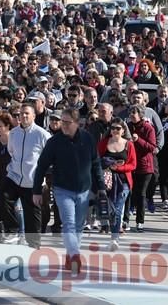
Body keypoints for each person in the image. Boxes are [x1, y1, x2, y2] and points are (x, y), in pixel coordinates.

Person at [33, 107, 105, 273]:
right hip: (62, 189)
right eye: (61, 122)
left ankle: (70, 254)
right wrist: (36, 190)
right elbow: (42, 166)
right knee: (69, 224)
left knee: (78, 226)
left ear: (77, 123)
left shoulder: (87, 139)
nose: (63, 125)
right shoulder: (54, 142)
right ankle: (75, 256)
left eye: (67, 122)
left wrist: (100, 187)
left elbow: (96, 164)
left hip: (84, 190)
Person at [2, 103, 51, 249]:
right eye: (20, 114)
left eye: (26, 114)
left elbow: (48, 158)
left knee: (32, 215)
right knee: (4, 197)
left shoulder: (42, 134)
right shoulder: (14, 133)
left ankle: (34, 245)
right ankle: (13, 231)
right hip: (15, 176)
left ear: (34, 116)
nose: (23, 116)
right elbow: (12, 151)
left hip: (32, 181)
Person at [96, 117, 136, 251]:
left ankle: (114, 238)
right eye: (112, 128)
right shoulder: (104, 142)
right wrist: (107, 164)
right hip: (107, 180)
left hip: (124, 181)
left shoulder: (129, 144)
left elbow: (133, 164)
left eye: (118, 128)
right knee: (111, 209)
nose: (114, 131)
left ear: (123, 130)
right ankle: (113, 234)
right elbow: (97, 160)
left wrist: (118, 168)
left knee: (118, 209)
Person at [127, 104, 157, 232]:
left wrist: (138, 139)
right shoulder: (128, 127)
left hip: (145, 166)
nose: (132, 115)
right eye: (130, 112)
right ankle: (126, 219)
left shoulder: (148, 128)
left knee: (141, 193)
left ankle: (140, 222)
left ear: (140, 114)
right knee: (130, 192)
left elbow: (152, 147)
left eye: (134, 112)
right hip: (131, 164)